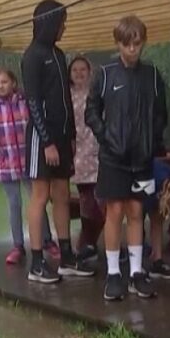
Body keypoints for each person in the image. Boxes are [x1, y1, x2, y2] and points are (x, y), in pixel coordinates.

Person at [86, 16, 168, 301]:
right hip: (113, 157)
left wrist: (151, 141)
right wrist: (106, 136)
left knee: (136, 212)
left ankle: (136, 272)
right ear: (118, 43)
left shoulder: (153, 75)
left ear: (143, 42)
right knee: (115, 212)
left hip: (142, 158)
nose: (132, 49)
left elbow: (161, 113)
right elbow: (91, 111)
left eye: (137, 43)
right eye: (126, 44)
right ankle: (113, 273)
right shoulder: (105, 74)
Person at [21, 0, 95, 283]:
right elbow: (33, 102)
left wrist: (72, 136)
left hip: (63, 137)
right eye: (62, 22)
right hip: (42, 138)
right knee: (41, 195)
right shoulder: (32, 56)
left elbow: (64, 97)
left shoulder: (58, 54)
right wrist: (47, 141)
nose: (64, 27)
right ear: (49, 23)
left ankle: (66, 257)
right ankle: (37, 262)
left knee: (62, 194)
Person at [0, 68, 57, 265]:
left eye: (4, 82)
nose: (1, 86)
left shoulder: (25, 102)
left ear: (13, 83)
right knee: (14, 204)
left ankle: (47, 241)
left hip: (29, 160)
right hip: (7, 162)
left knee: (38, 201)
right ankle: (18, 246)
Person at [65, 56, 106, 262]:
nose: (79, 73)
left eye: (83, 69)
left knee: (102, 200)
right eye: (75, 70)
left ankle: (101, 243)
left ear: (90, 72)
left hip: (98, 149)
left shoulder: (97, 93)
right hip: (78, 152)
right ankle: (86, 244)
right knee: (86, 201)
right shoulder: (66, 96)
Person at [142, 158, 170, 279]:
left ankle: (157, 259)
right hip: (143, 180)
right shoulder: (160, 179)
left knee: (157, 219)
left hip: (159, 183)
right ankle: (137, 264)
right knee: (137, 219)